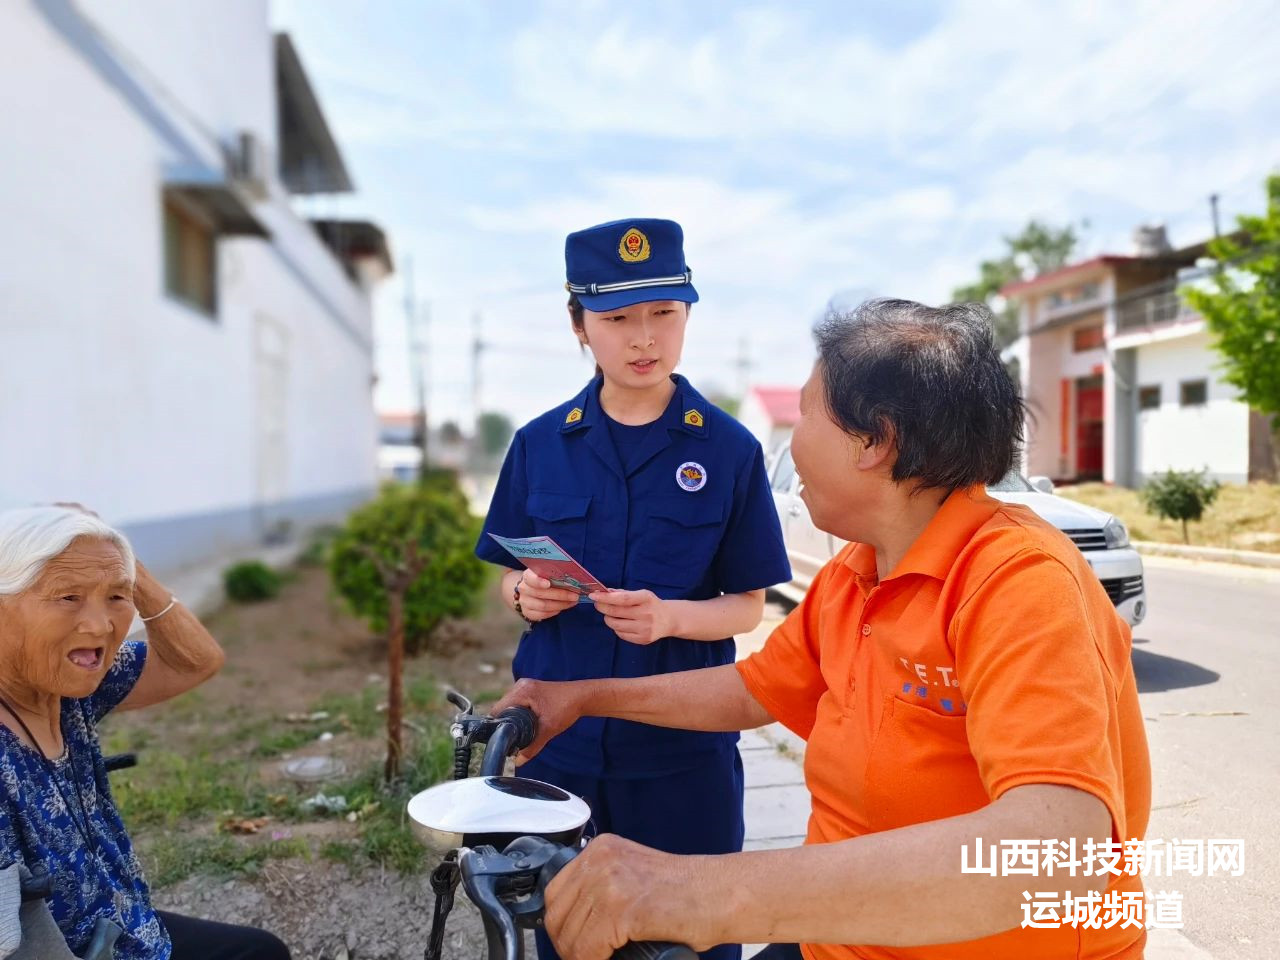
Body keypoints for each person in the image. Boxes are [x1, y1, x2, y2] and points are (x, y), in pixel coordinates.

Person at [495, 299, 1153, 960]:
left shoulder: (1020, 581)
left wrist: (700, 893)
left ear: (876, 442)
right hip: (836, 943)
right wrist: (579, 697)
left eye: (807, 414)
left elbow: (1059, 850)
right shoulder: (856, 571)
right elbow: (753, 689)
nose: (791, 444)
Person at [476, 219, 791, 960]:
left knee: (692, 939)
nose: (644, 338)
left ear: (687, 314)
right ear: (579, 325)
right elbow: (508, 578)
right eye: (617, 318)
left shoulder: (729, 450)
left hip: (682, 759)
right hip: (559, 751)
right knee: (564, 935)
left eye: (664, 314)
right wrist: (524, 595)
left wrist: (669, 618)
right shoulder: (539, 444)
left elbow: (747, 607)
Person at [0, 506, 290, 960]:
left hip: (125, 928)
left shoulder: (68, 682)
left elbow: (196, 661)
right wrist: (108, 569)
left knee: (260, 952)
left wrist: (119, 561)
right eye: (68, 597)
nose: (100, 625)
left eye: (117, 598)